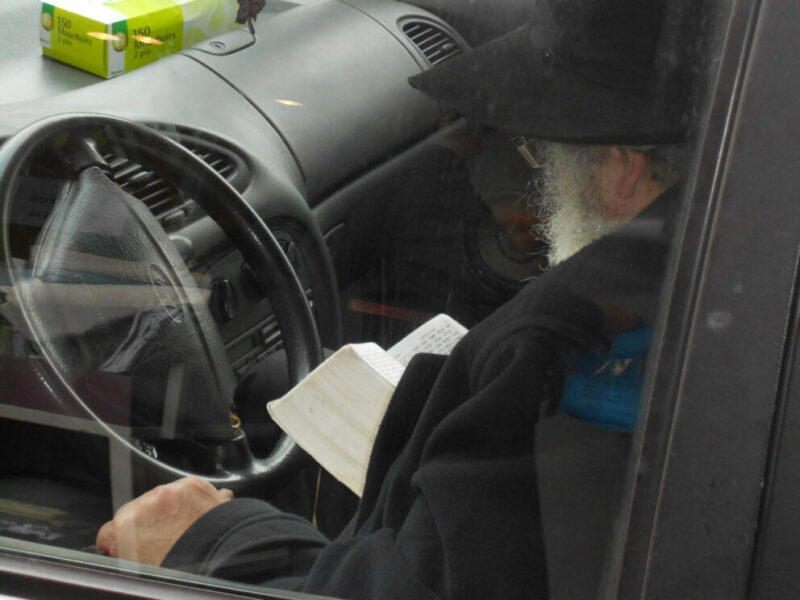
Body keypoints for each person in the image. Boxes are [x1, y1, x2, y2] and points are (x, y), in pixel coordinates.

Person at [96, 0, 712, 596]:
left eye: (549, 149)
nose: (544, 171)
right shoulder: (697, 280)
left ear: (625, 168)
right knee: (273, 387)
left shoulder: (564, 355)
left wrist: (212, 538)